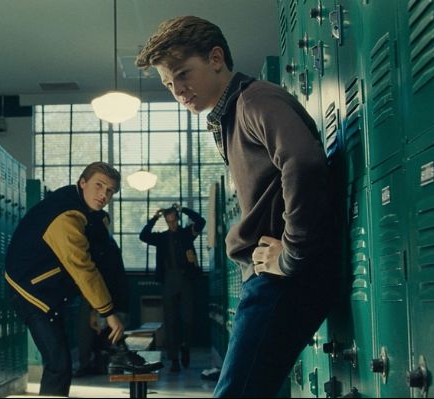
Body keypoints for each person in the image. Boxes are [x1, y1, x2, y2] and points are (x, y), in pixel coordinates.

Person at [137, 16, 340, 397]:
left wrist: (292, 254)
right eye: (168, 84)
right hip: (268, 279)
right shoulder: (229, 115)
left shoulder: (254, 99)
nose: (178, 91)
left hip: (279, 281)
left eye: (183, 74)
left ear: (216, 58)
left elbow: (304, 163)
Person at [4, 162, 126, 397]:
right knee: (58, 363)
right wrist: (108, 313)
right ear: (82, 183)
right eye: (98, 186)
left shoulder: (84, 210)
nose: (103, 195)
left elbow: (101, 257)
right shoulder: (66, 216)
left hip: (46, 288)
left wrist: (96, 309)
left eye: (110, 191)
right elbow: (83, 268)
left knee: (61, 362)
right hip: (30, 292)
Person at [139, 204, 205, 373]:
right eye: (169, 222)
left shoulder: (186, 234)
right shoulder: (161, 238)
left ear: (177, 219)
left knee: (188, 318)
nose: (172, 224)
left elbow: (201, 221)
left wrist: (183, 209)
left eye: (174, 220)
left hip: (186, 279)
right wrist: (155, 217)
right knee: (170, 321)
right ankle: (174, 359)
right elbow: (143, 235)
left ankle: (185, 346)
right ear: (166, 222)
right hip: (169, 279)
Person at [74, 210, 130, 378]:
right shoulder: (109, 242)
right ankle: (96, 363)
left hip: (98, 292)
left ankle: (87, 365)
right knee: (97, 330)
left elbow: (99, 274)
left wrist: (94, 309)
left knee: (87, 330)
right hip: (106, 292)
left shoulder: (101, 244)